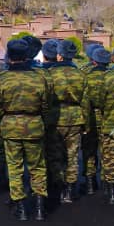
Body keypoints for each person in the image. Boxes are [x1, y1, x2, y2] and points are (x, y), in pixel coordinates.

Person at [0, 38, 49, 221]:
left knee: (14, 168)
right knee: (37, 167)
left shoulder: (1, 78)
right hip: (34, 126)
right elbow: (46, 105)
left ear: (9, 56)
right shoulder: (39, 77)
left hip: (10, 126)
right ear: (26, 55)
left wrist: (2, 118)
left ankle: (21, 207)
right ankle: (39, 207)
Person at [44, 38, 90, 204]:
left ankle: (59, 185)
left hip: (55, 118)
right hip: (76, 118)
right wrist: (87, 124)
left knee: (55, 155)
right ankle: (70, 190)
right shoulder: (81, 74)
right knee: (72, 156)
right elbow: (85, 102)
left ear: (59, 56)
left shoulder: (49, 74)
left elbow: (45, 99)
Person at [81, 45, 110, 194]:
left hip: (91, 116)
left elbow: (84, 100)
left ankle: (90, 182)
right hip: (108, 118)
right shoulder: (111, 75)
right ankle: (107, 184)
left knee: (89, 150)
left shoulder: (86, 75)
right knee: (107, 152)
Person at [100, 42, 114, 205]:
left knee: (109, 158)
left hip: (110, 122)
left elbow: (101, 100)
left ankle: (112, 192)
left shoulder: (107, 76)